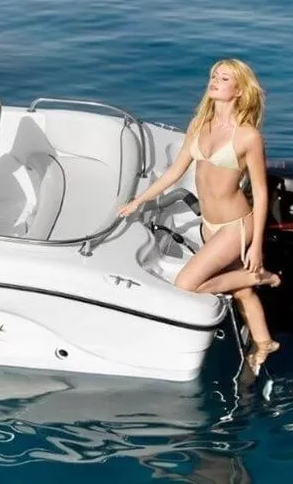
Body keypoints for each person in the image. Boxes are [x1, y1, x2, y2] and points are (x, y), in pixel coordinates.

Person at [118, 59, 280, 374]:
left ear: (239, 90)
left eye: (224, 78)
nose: (214, 81)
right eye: (214, 76)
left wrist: (256, 246)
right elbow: (174, 172)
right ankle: (264, 342)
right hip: (210, 225)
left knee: (187, 284)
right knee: (241, 291)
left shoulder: (248, 136)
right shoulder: (199, 124)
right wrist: (138, 201)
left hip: (235, 226)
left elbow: (260, 194)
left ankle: (260, 276)